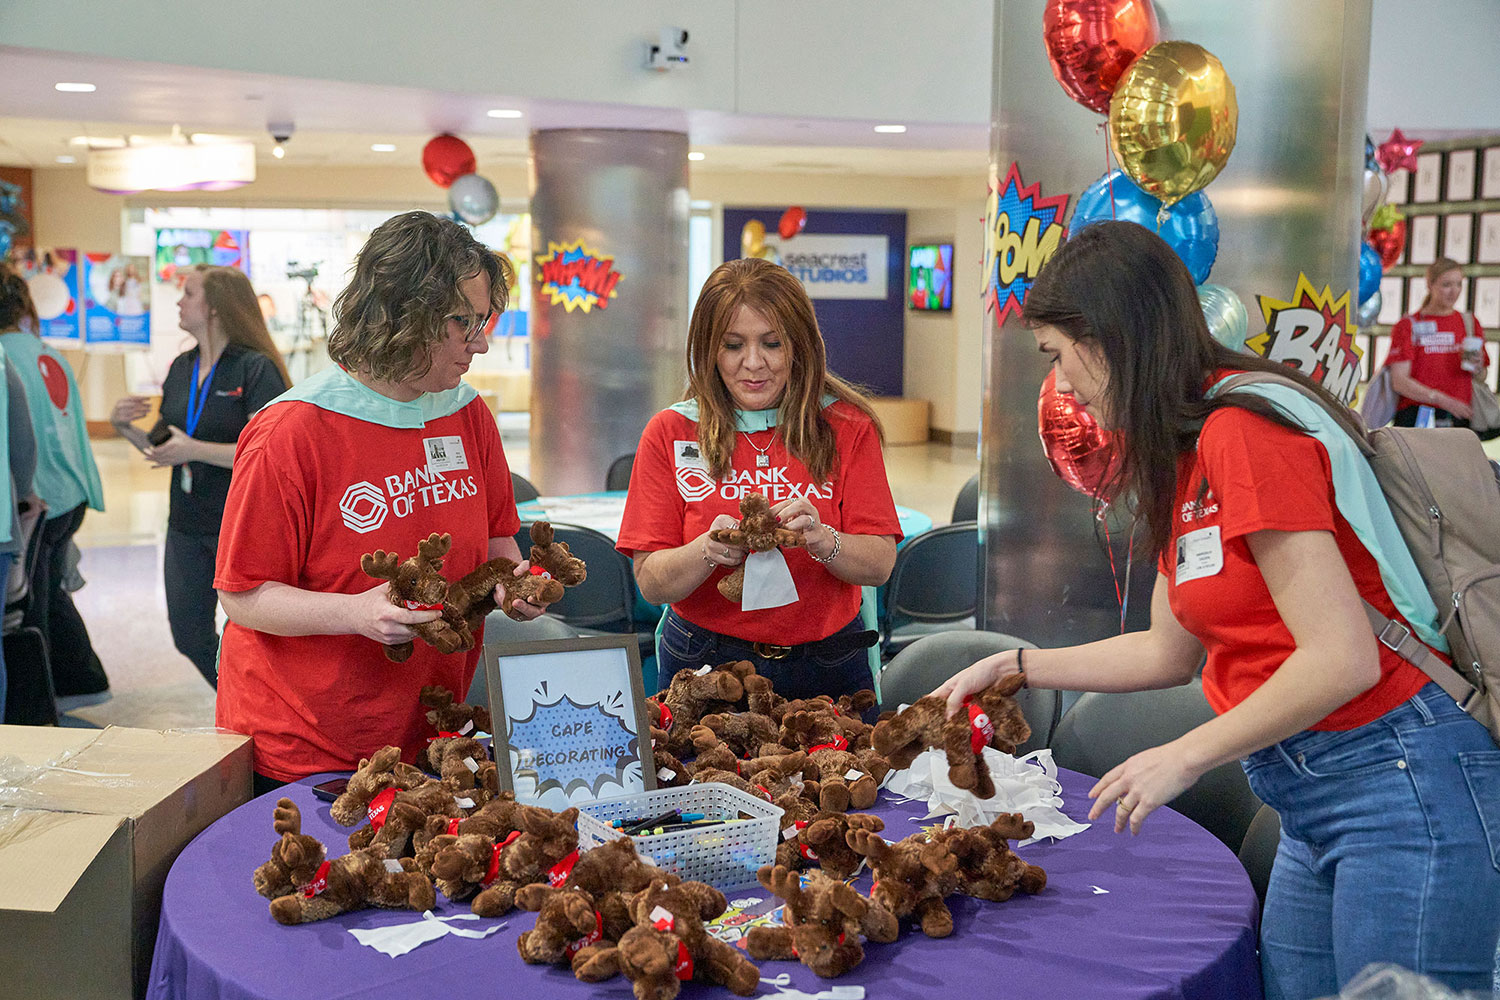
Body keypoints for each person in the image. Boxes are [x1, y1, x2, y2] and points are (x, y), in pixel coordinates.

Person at [933, 222, 1500, 999]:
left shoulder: (1244, 432)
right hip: (1310, 789)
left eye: (1060, 355)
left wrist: (1185, 754)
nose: (1063, 383)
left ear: (1111, 340)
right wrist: (1018, 664)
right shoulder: (1184, 449)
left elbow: (1342, 657)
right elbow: (1171, 650)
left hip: (1400, 779)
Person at [213, 211, 548, 793]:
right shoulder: (293, 431)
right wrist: (353, 614)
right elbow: (243, 596)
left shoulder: (465, 413)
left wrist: (511, 582)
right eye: (463, 323)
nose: (482, 343)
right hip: (309, 744)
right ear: (401, 316)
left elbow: (497, 539)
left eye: (486, 319)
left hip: (430, 730)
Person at [617, 257, 901, 699]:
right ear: (708, 349)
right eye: (733, 345)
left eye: (772, 343)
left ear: (800, 345)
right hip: (704, 662)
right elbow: (652, 582)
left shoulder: (848, 426)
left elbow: (880, 564)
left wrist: (826, 541)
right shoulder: (670, 431)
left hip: (828, 663)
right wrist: (705, 550)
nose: (753, 364)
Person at [111, 266, 291, 690]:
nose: (178, 301)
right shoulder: (182, 367)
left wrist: (195, 450)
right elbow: (165, 445)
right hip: (186, 522)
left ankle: (258, 708)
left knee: (258, 633)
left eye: (188, 293)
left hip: (242, 523)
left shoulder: (255, 369)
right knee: (189, 633)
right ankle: (241, 694)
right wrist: (125, 429)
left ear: (214, 307)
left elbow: (269, 454)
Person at [0, 267, 106, 698]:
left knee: (30, 610)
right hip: (70, 494)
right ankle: (82, 682)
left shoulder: (6, 355)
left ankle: (37, 704)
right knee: (48, 595)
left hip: (37, 500)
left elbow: (21, 442)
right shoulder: (49, 352)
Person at [1387, 256, 1489, 431]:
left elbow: (1482, 375)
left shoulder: (1469, 322)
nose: (1454, 291)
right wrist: (1443, 400)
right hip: (1417, 415)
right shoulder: (1409, 324)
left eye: (1458, 284)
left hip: (1459, 417)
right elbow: (1399, 381)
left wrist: (1478, 366)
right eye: (1446, 285)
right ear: (1430, 285)